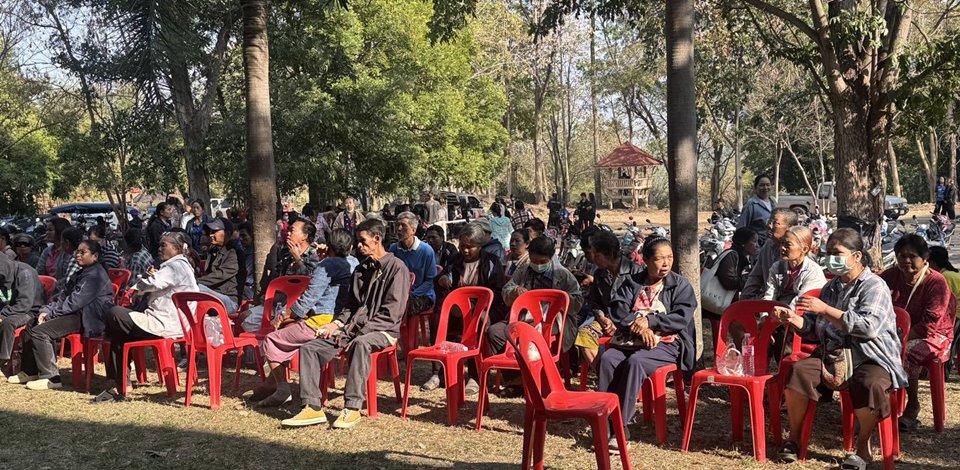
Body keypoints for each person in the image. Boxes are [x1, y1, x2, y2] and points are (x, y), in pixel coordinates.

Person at [773, 229, 906, 469]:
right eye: (828, 253)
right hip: (832, 355)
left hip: (870, 355)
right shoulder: (831, 287)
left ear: (857, 256)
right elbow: (815, 329)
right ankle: (794, 440)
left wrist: (825, 310)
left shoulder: (874, 286)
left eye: (837, 253)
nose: (831, 258)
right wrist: (792, 319)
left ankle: (863, 447)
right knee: (799, 372)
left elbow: (868, 327)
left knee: (869, 383)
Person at [280, 219, 410, 429]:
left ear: (377, 239)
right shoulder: (361, 269)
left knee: (361, 343)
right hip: (351, 330)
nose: (358, 245)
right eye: (358, 241)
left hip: (382, 331)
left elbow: (391, 314)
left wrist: (356, 330)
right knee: (310, 348)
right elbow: (350, 306)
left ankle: (352, 407)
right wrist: (337, 323)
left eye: (363, 241)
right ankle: (312, 407)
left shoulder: (397, 269)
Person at [600, 236, 697, 451]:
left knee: (636, 362)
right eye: (660, 259)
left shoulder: (680, 285)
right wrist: (639, 325)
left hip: (669, 343)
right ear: (645, 260)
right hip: (632, 339)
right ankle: (604, 421)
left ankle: (620, 426)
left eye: (669, 257)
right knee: (608, 358)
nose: (666, 263)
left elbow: (681, 317)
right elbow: (618, 310)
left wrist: (652, 322)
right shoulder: (633, 282)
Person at [246, 230, 358, 407]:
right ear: (350, 247)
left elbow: (309, 298)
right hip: (341, 320)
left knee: (271, 339)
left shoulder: (326, 266)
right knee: (287, 332)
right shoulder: (353, 262)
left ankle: (281, 389)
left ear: (329, 245)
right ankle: (271, 384)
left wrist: (283, 316)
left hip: (321, 321)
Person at [94, 231, 198, 403]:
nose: (159, 249)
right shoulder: (179, 266)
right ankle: (120, 382)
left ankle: (117, 381)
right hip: (172, 323)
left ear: (177, 248)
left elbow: (150, 283)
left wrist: (142, 281)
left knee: (114, 313)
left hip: (165, 324)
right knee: (119, 329)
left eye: (164, 245)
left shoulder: (175, 266)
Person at [11, 240, 113, 390]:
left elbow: (74, 302)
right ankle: (30, 371)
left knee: (40, 332)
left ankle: (51, 377)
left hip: (88, 319)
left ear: (95, 256)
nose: (78, 255)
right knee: (32, 323)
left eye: (83, 252)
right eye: (77, 251)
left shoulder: (95, 275)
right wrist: (46, 310)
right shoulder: (81, 273)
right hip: (75, 314)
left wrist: (51, 314)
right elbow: (62, 297)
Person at [879, 234, 955, 431]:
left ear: (924, 258)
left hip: (933, 334)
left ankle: (912, 405)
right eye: (901, 256)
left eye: (912, 256)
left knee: (906, 352)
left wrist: (900, 339)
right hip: (896, 332)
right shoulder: (890, 276)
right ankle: (879, 403)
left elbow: (930, 323)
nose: (906, 261)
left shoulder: (936, 282)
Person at [424, 223, 506, 393]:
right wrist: (442, 279)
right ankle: (439, 372)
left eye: (470, 247)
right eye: (462, 246)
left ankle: (475, 375)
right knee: (438, 319)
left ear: (480, 245)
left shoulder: (491, 262)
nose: (465, 250)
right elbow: (443, 277)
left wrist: (478, 303)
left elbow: (497, 292)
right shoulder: (456, 260)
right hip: (459, 309)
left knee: (477, 323)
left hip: (485, 309)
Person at [494, 236, 583, 357]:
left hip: (551, 321)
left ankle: (529, 366)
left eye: (543, 262)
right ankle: (510, 367)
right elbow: (506, 289)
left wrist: (559, 299)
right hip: (524, 317)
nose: (538, 265)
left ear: (551, 258)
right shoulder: (523, 271)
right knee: (495, 332)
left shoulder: (563, 275)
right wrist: (515, 291)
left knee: (526, 333)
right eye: (534, 261)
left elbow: (578, 300)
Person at [575, 230, 644, 377]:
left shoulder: (636, 272)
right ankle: (607, 377)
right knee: (584, 334)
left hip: (631, 321)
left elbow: (642, 305)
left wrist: (619, 321)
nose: (593, 259)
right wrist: (602, 318)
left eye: (597, 255)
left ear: (610, 254)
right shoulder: (600, 274)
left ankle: (618, 379)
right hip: (606, 321)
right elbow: (594, 302)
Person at [241, 218, 321, 333]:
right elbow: (277, 277)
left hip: (296, 308)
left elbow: (311, 283)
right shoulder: (285, 253)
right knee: (245, 318)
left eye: (292, 230)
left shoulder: (315, 256)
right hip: (276, 303)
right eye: (288, 230)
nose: (288, 233)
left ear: (304, 236)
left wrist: (298, 260)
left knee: (282, 327)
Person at [0, 250, 44, 380]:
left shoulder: (24, 273)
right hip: (10, 309)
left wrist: (2, 315)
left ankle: (2, 361)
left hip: (30, 311)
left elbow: (24, 304)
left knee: (8, 323)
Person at [740, 208, 799, 299]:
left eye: (775, 223)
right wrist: (745, 298)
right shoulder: (768, 245)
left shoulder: (797, 252)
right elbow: (756, 276)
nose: (769, 226)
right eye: (769, 221)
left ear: (789, 228)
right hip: (767, 298)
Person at [388, 211, 437, 321]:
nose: (399, 229)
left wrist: (411, 294)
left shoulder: (426, 251)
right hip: (399, 295)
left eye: (404, 226)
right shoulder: (393, 249)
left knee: (402, 308)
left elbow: (429, 281)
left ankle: (408, 333)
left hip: (422, 295)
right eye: (397, 225)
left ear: (413, 230)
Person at [762, 227, 827, 308]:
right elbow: (770, 295)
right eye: (782, 243)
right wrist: (766, 311)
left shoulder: (813, 272)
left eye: (788, 245)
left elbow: (801, 303)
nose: (782, 248)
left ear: (804, 249)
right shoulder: (777, 267)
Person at [196, 218, 240, 314]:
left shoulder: (234, 252)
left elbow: (220, 275)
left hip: (229, 300)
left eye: (215, 232)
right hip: (215, 294)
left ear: (227, 233)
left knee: (196, 288)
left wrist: (195, 281)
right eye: (210, 232)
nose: (211, 235)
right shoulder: (214, 251)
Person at [737, 174, 775, 243]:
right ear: (755, 187)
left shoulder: (773, 203)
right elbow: (741, 229)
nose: (765, 188)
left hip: (771, 244)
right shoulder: (751, 205)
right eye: (762, 185)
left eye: (768, 185)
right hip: (757, 246)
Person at [52, 228, 83, 296]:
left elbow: (68, 286)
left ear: (67, 243)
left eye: (61, 241)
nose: (61, 244)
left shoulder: (76, 259)